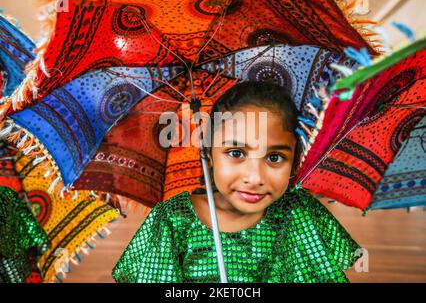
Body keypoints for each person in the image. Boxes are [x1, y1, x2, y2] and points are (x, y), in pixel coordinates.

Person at [112, 81, 363, 283]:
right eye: (236, 153)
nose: (254, 178)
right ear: (209, 155)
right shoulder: (172, 219)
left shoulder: (299, 212)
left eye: (275, 157)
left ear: (294, 159)